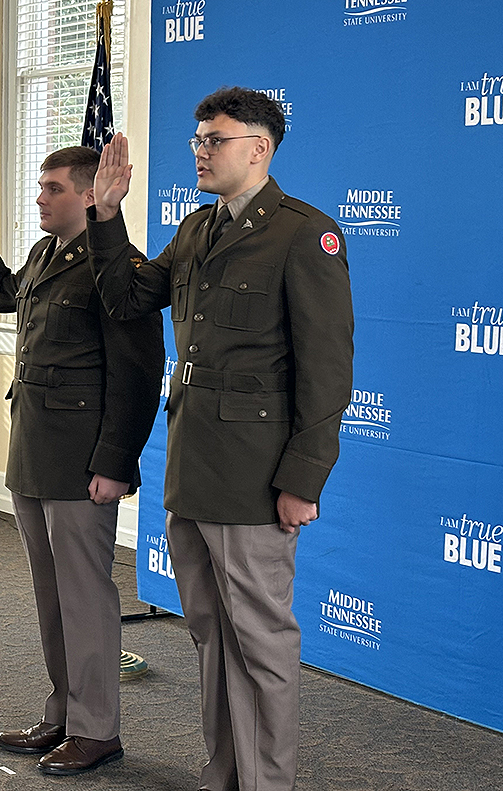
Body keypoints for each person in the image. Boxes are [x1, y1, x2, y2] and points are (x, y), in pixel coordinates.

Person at [86, 87, 354, 791]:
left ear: (259, 149)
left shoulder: (305, 234)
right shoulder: (198, 228)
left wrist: (305, 480)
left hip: (257, 479)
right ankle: (225, 777)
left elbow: (326, 373)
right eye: (198, 140)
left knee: (260, 645)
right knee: (211, 639)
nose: (200, 150)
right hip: (195, 473)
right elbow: (129, 298)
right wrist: (107, 216)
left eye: (216, 139)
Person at [0, 149, 163, 776]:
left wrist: (118, 462)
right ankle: (65, 714)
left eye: (52, 188)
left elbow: (138, 373)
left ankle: (98, 730)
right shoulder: (46, 255)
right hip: (34, 450)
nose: (39, 198)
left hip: (83, 460)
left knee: (85, 596)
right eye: (39, 186)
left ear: (90, 194)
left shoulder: (116, 267)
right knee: (51, 593)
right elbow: (1, 294)